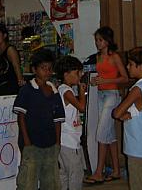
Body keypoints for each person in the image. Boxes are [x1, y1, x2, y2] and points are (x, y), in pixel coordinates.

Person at [13, 49, 65, 190]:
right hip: (31, 144)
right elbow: (21, 117)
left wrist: (57, 142)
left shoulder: (54, 91)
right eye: (43, 68)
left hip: (50, 143)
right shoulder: (27, 90)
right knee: (27, 182)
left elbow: (58, 120)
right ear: (34, 69)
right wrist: (27, 142)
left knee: (51, 181)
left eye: (49, 69)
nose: (47, 72)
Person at [84, 26, 128, 184]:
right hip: (100, 94)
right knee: (109, 135)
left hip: (111, 95)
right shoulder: (97, 57)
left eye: (100, 40)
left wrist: (106, 81)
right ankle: (116, 170)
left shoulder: (114, 57)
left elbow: (124, 78)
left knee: (101, 133)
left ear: (107, 41)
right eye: (96, 40)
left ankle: (99, 172)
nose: (97, 43)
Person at [112, 47, 142, 190]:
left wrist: (123, 114)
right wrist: (129, 114)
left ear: (141, 66)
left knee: (138, 185)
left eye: (131, 64)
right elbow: (141, 110)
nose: (127, 67)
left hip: (137, 148)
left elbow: (116, 113)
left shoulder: (137, 89)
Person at [55, 56, 87, 190]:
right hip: (69, 140)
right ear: (66, 74)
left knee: (64, 173)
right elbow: (82, 107)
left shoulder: (63, 89)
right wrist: (82, 92)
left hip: (65, 139)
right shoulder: (66, 91)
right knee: (75, 173)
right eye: (77, 73)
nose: (79, 76)